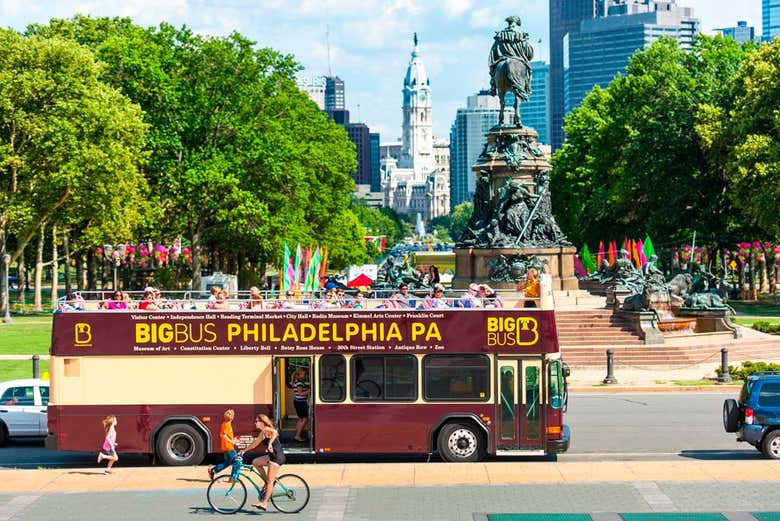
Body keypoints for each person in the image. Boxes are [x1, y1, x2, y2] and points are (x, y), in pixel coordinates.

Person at [242, 414, 286, 511]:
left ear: (262, 422)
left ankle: (264, 503)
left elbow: (275, 432)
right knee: (255, 462)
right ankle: (268, 482)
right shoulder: (263, 433)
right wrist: (244, 451)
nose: (255, 423)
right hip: (272, 455)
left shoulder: (266, 429)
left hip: (277, 457)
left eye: (256, 421)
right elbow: (254, 444)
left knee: (270, 481)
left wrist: (270, 443)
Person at [208, 409, 241, 482]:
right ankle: (233, 478)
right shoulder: (227, 424)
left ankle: (213, 471)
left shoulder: (225, 423)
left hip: (226, 447)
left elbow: (226, 435)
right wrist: (232, 441)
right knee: (237, 462)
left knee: (227, 463)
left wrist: (233, 440)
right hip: (229, 447)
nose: (228, 414)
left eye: (229, 413)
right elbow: (223, 435)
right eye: (228, 413)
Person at [291, 367, 310, 442]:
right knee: (305, 419)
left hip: (298, 402)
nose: (305, 376)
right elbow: (300, 393)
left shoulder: (298, 382)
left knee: (300, 419)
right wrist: (309, 391)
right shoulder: (299, 383)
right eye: (303, 375)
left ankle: (297, 434)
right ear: (298, 375)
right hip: (301, 402)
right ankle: (298, 435)